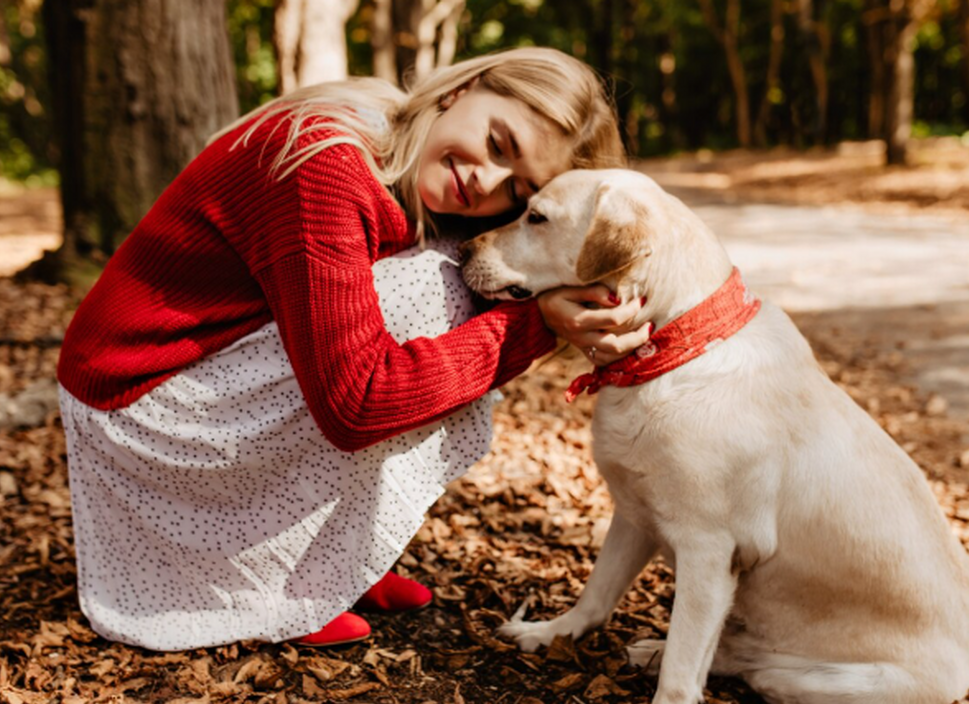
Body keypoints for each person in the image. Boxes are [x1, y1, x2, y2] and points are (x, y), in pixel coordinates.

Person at [56, 47, 651, 652]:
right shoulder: (328, 164)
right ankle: (282, 591)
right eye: (499, 143)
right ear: (461, 90)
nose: (487, 183)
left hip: (208, 370)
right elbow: (356, 403)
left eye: (519, 189)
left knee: (459, 279)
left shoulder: (402, 149)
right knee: (439, 288)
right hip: (140, 402)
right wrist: (537, 328)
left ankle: (334, 562)